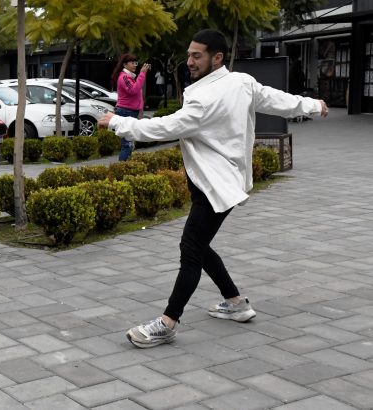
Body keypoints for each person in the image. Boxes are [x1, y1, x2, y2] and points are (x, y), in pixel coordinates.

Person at [99, 29, 328, 348]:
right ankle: (236, 303)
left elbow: (162, 128)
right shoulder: (242, 82)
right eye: (189, 54)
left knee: (191, 247)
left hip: (214, 186)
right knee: (199, 245)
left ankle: (168, 322)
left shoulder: (204, 98)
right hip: (218, 181)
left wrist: (116, 123)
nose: (189, 61)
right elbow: (278, 100)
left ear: (216, 58)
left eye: (197, 55)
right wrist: (313, 105)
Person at [111, 53, 151, 161]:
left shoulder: (129, 77)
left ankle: (126, 166)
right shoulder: (124, 77)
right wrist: (142, 73)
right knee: (127, 144)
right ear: (125, 65)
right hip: (125, 112)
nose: (135, 65)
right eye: (132, 63)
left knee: (130, 143)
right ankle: (122, 168)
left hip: (130, 111)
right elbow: (134, 90)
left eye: (136, 63)